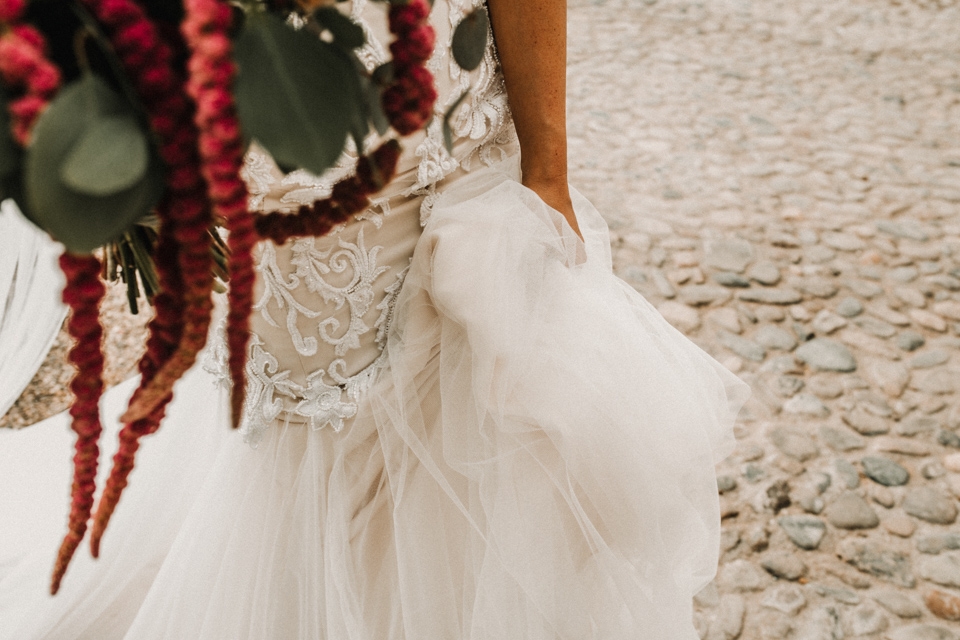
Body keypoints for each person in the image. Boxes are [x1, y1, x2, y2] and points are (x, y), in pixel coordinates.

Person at [0, 0, 749, 637]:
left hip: (438, 147)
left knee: (467, 435)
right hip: (255, 155)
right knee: (290, 444)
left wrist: (547, 172)